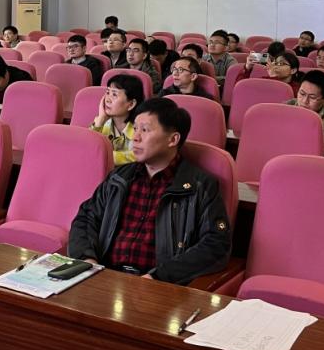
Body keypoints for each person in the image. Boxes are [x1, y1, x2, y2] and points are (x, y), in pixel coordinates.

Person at [68, 97, 232, 285]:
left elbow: (216, 244)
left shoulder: (200, 186)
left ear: (173, 139)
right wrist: (87, 260)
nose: (135, 137)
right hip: (106, 278)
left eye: (144, 130)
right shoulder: (119, 178)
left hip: (158, 285)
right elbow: (85, 218)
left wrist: (158, 276)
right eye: (135, 129)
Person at [90, 74, 145, 164]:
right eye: (107, 93)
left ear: (131, 104)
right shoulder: (101, 123)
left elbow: (138, 156)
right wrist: (100, 120)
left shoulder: (140, 131)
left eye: (114, 94)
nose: (107, 100)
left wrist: (101, 155)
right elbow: (87, 150)